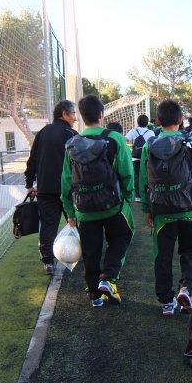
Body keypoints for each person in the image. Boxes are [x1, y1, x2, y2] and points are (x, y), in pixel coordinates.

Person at [139, 99, 192, 316]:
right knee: (191, 252)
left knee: (162, 256)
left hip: (162, 210)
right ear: (181, 120)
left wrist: (148, 208)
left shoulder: (149, 146)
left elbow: (143, 180)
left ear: (158, 121)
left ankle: (166, 301)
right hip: (190, 209)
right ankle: (186, 289)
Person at [60, 95, 135, 306]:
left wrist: (70, 213)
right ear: (101, 115)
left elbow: (66, 181)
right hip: (112, 205)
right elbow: (126, 172)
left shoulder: (72, 144)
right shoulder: (115, 138)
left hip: (84, 208)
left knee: (90, 249)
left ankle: (94, 295)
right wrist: (128, 197)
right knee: (121, 237)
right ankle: (108, 279)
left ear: (81, 117)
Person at [24, 100, 78, 275]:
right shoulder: (73, 135)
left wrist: (29, 184)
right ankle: (83, 254)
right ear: (64, 114)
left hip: (46, 188)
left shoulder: (43, 132)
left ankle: (48, 262)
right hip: (69, 189)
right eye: (73, 114)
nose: (75, 118)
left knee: (48, 225)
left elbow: (32, 159)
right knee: (77, 222)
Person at [125, 114, 155, 202]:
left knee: (137, 176)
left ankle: (138, 196)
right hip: (146, 157)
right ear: (147, 122)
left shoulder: (133, 131)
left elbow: (125, 139)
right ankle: (148, 194)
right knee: (148, 175)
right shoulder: (150, 132)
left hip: (136, 157)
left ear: (138, 122)